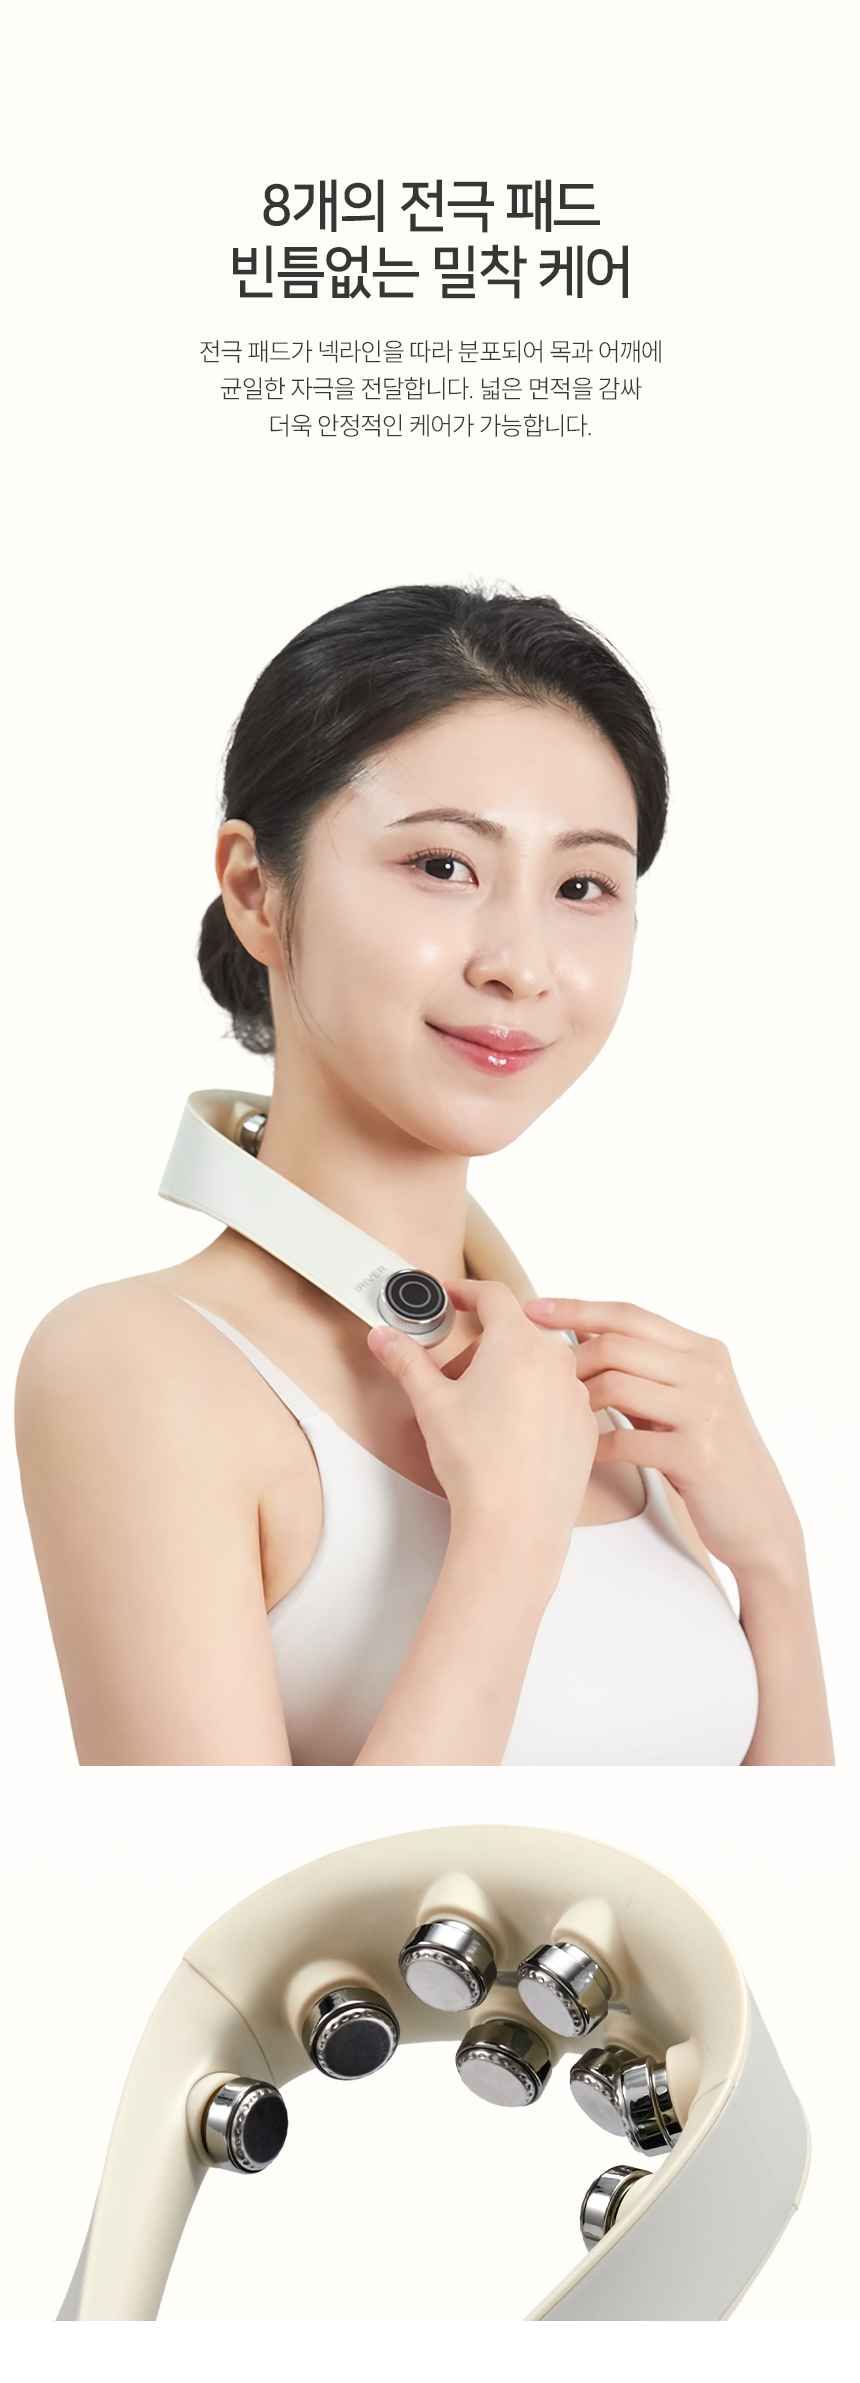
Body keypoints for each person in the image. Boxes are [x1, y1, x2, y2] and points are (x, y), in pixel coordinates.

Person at [15, 585, 833, 1767]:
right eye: (442, 864)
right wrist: (506, 1535)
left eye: (582, 886)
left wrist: (774, 1568)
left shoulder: (592, 1396)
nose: (520, 964)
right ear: (254, 889)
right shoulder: (133, 1365)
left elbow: (779, 1869)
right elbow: (235, 1884)